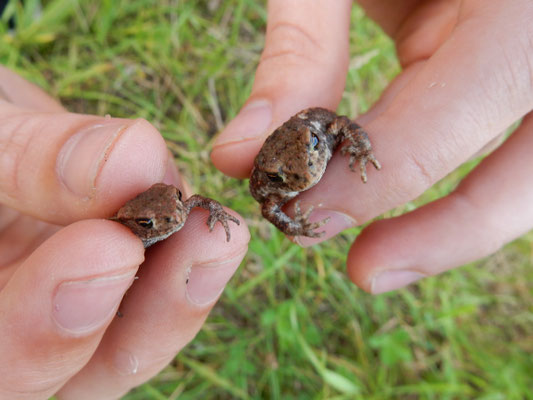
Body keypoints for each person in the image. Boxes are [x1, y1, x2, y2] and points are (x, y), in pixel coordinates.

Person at [1, 0, 532, 398]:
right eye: (162, 219)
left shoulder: (317, 132)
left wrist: (349, 151)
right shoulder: (254, 190)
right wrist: (286, 220)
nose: (175, 217)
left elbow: (324, 132)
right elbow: (264, 205)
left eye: (175, 211)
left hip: (303, 139)